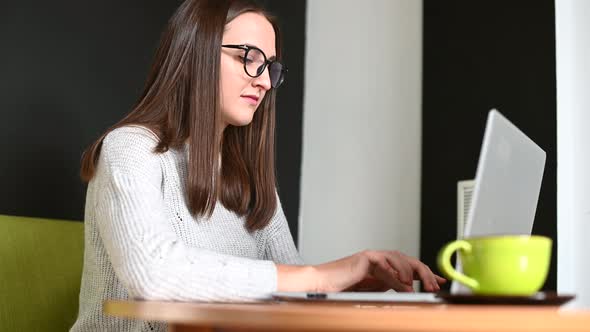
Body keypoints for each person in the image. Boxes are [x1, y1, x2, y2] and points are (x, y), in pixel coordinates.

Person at [70, 0, 445, 331]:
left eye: (270, 67)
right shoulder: (130, 149)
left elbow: (288, 284)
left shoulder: (246, 179)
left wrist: (350, 283)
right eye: (248, 58)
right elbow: (152, 274)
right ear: (196, 52)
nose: (265, 81)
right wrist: (321, 277)